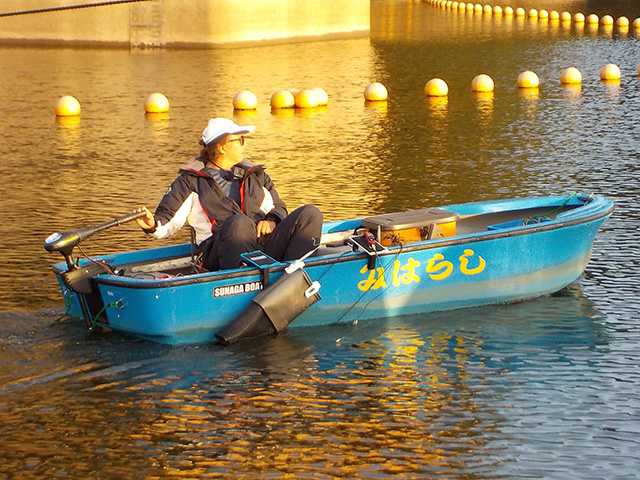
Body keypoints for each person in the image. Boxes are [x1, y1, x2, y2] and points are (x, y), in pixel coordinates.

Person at [136, 117, 323, 271]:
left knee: (310, 214)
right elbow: (167, 221)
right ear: (221, 147)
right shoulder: (189, 182)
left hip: (261, 245)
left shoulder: (256, 175)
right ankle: (243, 284)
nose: (245, 145)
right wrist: (152, 225)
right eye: (240, 140)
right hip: (219, 252)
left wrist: (272, 219)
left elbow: (279, 207)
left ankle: (295, 277)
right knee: (239, 224)